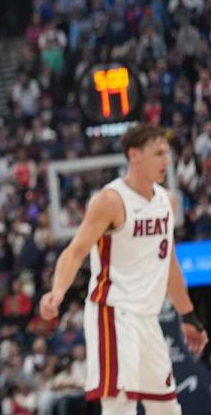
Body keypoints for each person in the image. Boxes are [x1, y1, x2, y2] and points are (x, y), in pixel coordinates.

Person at [40, 125, 208, 413]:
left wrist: (188, 316)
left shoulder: (167, 201)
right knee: (120, 406)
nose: (166, 161)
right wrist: (57, 293)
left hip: (148, 316)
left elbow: (168, 262)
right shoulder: (110, 201)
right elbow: (75, 251)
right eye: (158, 153)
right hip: (113, 312)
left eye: (167, 153)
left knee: (167, 408)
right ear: (135, 155)